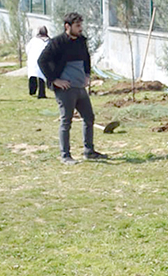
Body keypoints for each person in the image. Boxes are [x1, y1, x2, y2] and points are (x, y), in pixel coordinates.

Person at [38, 12, 107, 165]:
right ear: (67, 26)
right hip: (66, 90)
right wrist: (54, 80)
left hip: (80, 87)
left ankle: (89, 151)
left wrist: (87, 75)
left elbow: (86, 58)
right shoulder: (57, 42)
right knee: (66, 121)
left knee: (89, 117)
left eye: (81, 25)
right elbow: (41, 61)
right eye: (77, 26)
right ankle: (65, 155)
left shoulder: (81, 41)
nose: (80, 28)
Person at [25, 26, 50, 98]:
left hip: (32, 60)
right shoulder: (48, 41)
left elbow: (27, 49)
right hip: (43, 61)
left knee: (32, 75)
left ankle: (32, 91)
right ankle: (41, 93)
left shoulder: (33, 40)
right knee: (41, 77)